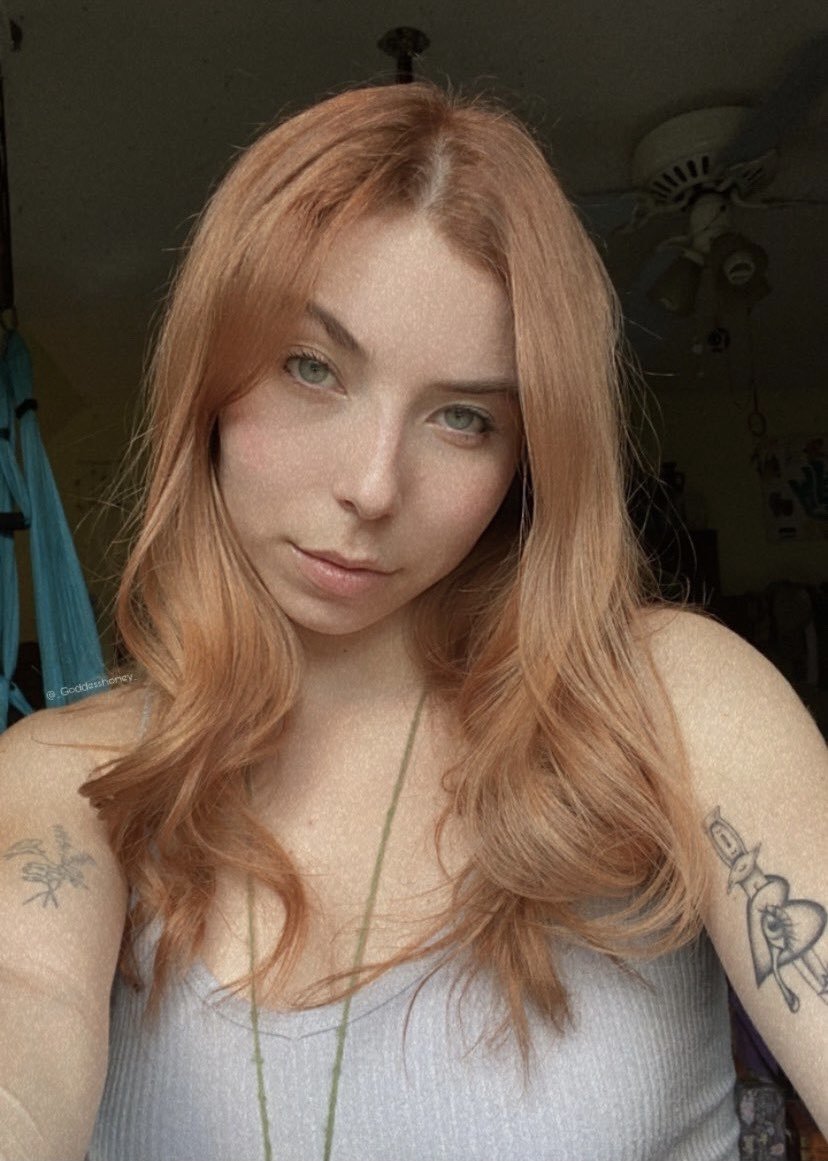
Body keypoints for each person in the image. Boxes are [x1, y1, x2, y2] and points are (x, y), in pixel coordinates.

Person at [0, 81, 825, 1161]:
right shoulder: (72, 773)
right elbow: (25, 1008)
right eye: (312, 368)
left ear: (529, 458)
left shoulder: (667, 703)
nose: (374, 486)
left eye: (465, 417)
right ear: (209, 374)